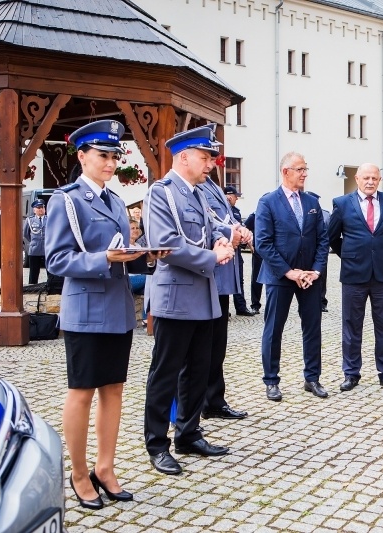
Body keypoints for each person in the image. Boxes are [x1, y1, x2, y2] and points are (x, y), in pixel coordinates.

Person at [45, 120, 161, 509]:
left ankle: (105, 468)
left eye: (115, 156)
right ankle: (78, 474)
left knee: (113, 390)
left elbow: (118, 250)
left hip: (116, 307)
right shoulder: (67, 200)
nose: (110, 163)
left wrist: (143, 253)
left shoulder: (114, 200)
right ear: (82, 156)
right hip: (86, 308)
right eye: (103, 156)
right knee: (81, 393)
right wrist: (104, 258)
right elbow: (57, 259)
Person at [143, 123, 236, 476]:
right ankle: (156, 443)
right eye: (204, 156)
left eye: (210, 157)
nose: (210, 163)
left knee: (199, 369)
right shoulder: (161, 193)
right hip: (177, 297)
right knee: (165, 373)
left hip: (204, 296)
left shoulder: (198, 193)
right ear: (184, 157)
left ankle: (188, 432)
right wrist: (213, 257)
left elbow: (212, 230)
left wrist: (225, 241)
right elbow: (166, 243)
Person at [256, 152, 329, 401]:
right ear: (286, 171)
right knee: (274, 329)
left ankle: (312, 378)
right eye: (300, 169)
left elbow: (322, 240)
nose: (305, 174)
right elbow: (263, 244)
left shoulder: (312, 202)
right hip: (280, 277)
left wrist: (316, 271)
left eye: (306, 169)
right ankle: (271, 380)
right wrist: (289, 272)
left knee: (312, 328)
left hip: (309, 278)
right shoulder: (268, 202)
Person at [328, 163, 383, 393]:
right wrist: (350, 255)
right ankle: (351, 373)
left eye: (375, 178)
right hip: (353, 274)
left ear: (379, 180)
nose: (370, 182)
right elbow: (333, 237)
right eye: (366, 178)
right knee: (352, 325)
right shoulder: (341, 204)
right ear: (357, 179)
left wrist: (382, 253)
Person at [199, 177, 251, 421]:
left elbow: (225, 219)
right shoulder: (194, 187)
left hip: (221, 278)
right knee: (202, 348)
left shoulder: (211, 184)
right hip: (207, 275)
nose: (211, 162)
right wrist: (231, 231)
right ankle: (196, 405)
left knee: (217, 345)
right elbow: (209, 224)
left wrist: (239, 228)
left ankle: (214, 400)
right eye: (207, 156)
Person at [223, 185, 254, 316]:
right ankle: (224, 309)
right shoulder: (222, 210)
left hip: (236, 252)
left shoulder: (236, 211)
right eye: (236, 197)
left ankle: (241, 307)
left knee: (239, 279)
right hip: (225, 250)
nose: (237, 199)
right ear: (229, 196)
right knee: (224, 279)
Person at [306, 191, 331, 312]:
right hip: (307, 251)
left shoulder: (326, 214)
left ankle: (322, 301)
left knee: (321, 277)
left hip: (321, 251)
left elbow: (331, 233)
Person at [243, 211, 264, 315]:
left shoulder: (276, 214)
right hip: (259, 252)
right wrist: (250, 245)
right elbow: (243, 229)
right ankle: (255, 305)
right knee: (257, 278)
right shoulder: (255, 216)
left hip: (274, 251)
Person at [23, 199, 47, 285]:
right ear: (34, 210)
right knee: (34, 272)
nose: (41, 209)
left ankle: (51, 288)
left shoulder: (49, 219)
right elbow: (26, 234)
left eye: (43, 207)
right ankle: (32, 288)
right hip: (35, 249)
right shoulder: (30, 220)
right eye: (39, 207)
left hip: (46, 249)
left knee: (50, 271)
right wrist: (34, 242)